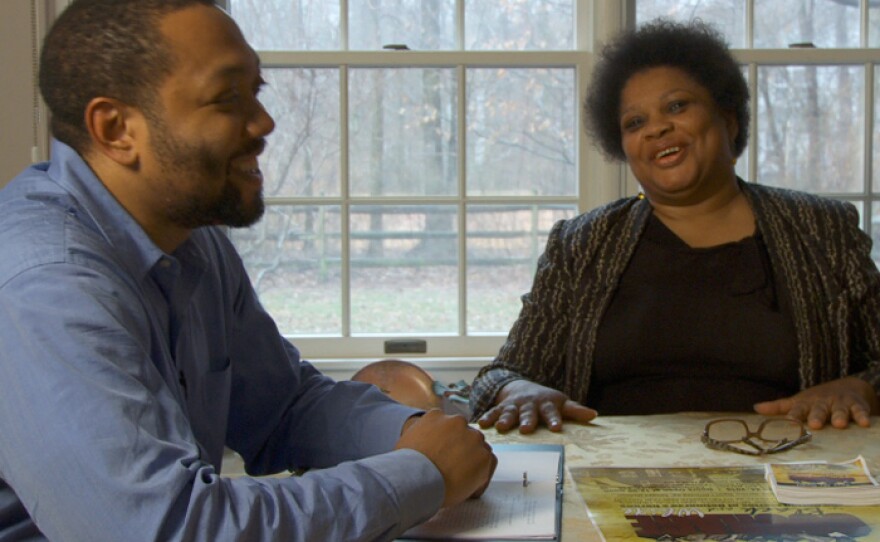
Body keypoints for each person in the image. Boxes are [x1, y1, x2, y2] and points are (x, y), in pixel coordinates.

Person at [0, 1, 496, 540]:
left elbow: (284, 407)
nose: (264, 123)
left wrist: (415, 433)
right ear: (117, 128)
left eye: (256, 92)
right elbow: (163, 528)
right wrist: (421, 474)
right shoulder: (44, 285)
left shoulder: (194, 240)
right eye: (227, 98)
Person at [470, 19, 880, 435]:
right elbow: (500, 375)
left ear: (729, 120)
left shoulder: (823, 230)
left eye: (677, 106)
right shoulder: (581, 244)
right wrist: (518, 389)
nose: (656, 128)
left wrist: (862, 387)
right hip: (613, 481)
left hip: (787, 476)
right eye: (634, 122)